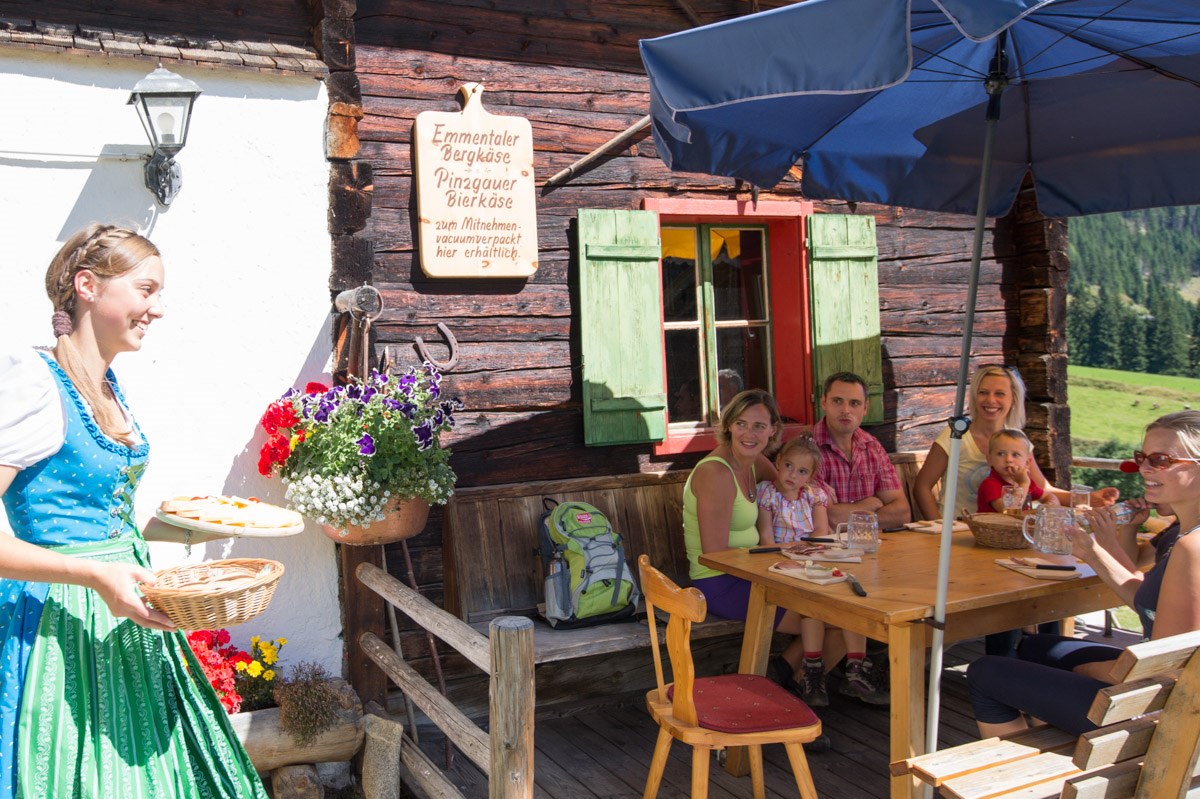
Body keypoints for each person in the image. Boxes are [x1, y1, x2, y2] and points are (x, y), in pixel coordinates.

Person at [0, 226, 267, 798]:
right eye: (146, 290)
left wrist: (190, 523)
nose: (158, 309)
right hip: (63, 623)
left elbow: (98, 519)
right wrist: (97, 575)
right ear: (87, 286)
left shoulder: (105, 385)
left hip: (129, 616)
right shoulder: (34, 383)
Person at [967, 411, 1200, 737]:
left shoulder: (1191, 548)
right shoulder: (1184, 535)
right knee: (1037, 649)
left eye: (1161, 460)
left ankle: (1031, 778)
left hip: (1157, 710)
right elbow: (1150, 603)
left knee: (984, 672)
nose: (1145, 468)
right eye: (1142, 457)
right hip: (1162, 690)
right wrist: (1092, 552)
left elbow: (1164, 662)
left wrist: (1097, 670)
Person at [682, 390, 817, 695]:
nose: (749, 433)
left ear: (772, 431)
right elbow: (714, 556)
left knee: (839, 610)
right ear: (728, 425)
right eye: (741, 423)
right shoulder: (716, 472)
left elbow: (794, 492)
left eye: (759, 426)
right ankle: (788, 690)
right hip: (718, 582)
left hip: (757, 574)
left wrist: (823, 505)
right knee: (825, 616)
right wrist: (775, 558)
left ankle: (786, 676)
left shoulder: (756, 464)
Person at [755, 436, 885, 705]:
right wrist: (792, 555)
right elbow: (766, 538)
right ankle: (812, 669)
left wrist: (810, 553)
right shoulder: (767, 493)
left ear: (811, 476)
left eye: (802, 471)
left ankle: (855, 666)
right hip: (783, 565)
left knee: (848, 596)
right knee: (813, 605)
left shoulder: (814, 496)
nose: (792, 475)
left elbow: (820, 533)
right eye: (788, 466)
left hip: (812, 560)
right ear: (778, 462)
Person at [913, 363, 1117, 522]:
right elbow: (922, 486)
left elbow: (1043, 489)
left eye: (999, 394)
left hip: (1004, 532)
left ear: (1014, 401)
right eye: (983, 392)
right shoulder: (956, 435)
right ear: (974, 397)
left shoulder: (1018, 440)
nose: (990, 400)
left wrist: (1090, 500)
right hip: (957, 531)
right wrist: (939, 527)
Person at [811, 372, 910, 529]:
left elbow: (902, 513)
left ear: (865, 408)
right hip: (824, 550)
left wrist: (851, 517)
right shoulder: (807, 449)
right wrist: (870, 504)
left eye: (854, 403)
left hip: (871, 545)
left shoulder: (872, 446)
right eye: (837, 401)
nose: (846, 410)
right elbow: (828, 517)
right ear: (824, 403)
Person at [976, 429, 1057, 513]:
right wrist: (1024, 484)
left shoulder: (1025, 482)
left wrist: (1049, 506)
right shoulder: (990, 484)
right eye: (1001, 454)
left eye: (1015, 455)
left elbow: (1048, 496)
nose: (1008, 459)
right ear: (990, 460)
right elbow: (1008, 511)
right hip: (991, 526)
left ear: (1027, 463)